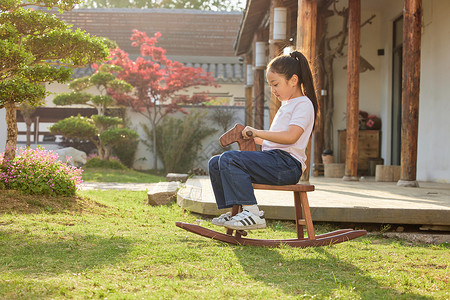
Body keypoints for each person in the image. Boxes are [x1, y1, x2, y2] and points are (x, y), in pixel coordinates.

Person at [208, 51, 318, 231]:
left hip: (287, 166)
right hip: (274, 160)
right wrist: (254, 137)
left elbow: (291, 137)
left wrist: (258, 131)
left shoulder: (303, 105)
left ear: (293, 80)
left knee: (229, 159)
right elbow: (275, 140)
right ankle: (236, 211)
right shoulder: (287, 105)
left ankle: (253, 213)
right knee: (216, 162)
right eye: (270, 86)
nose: (273, 90)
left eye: (276, 84)